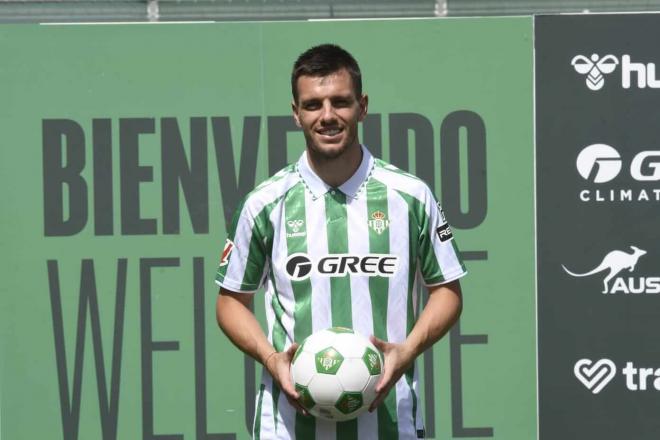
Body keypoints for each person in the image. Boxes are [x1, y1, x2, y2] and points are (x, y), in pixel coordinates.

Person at [215, 43, 465, 440]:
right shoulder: (264, 204)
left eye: (340, 102)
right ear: (296, 113)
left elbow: (448, 290)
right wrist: (271, 357)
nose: (327, 116)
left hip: (389, 424)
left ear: (362, 107)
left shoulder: (411, 196)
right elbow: (230, 301)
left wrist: (408, 350)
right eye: (313, 104)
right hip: (288, 427)